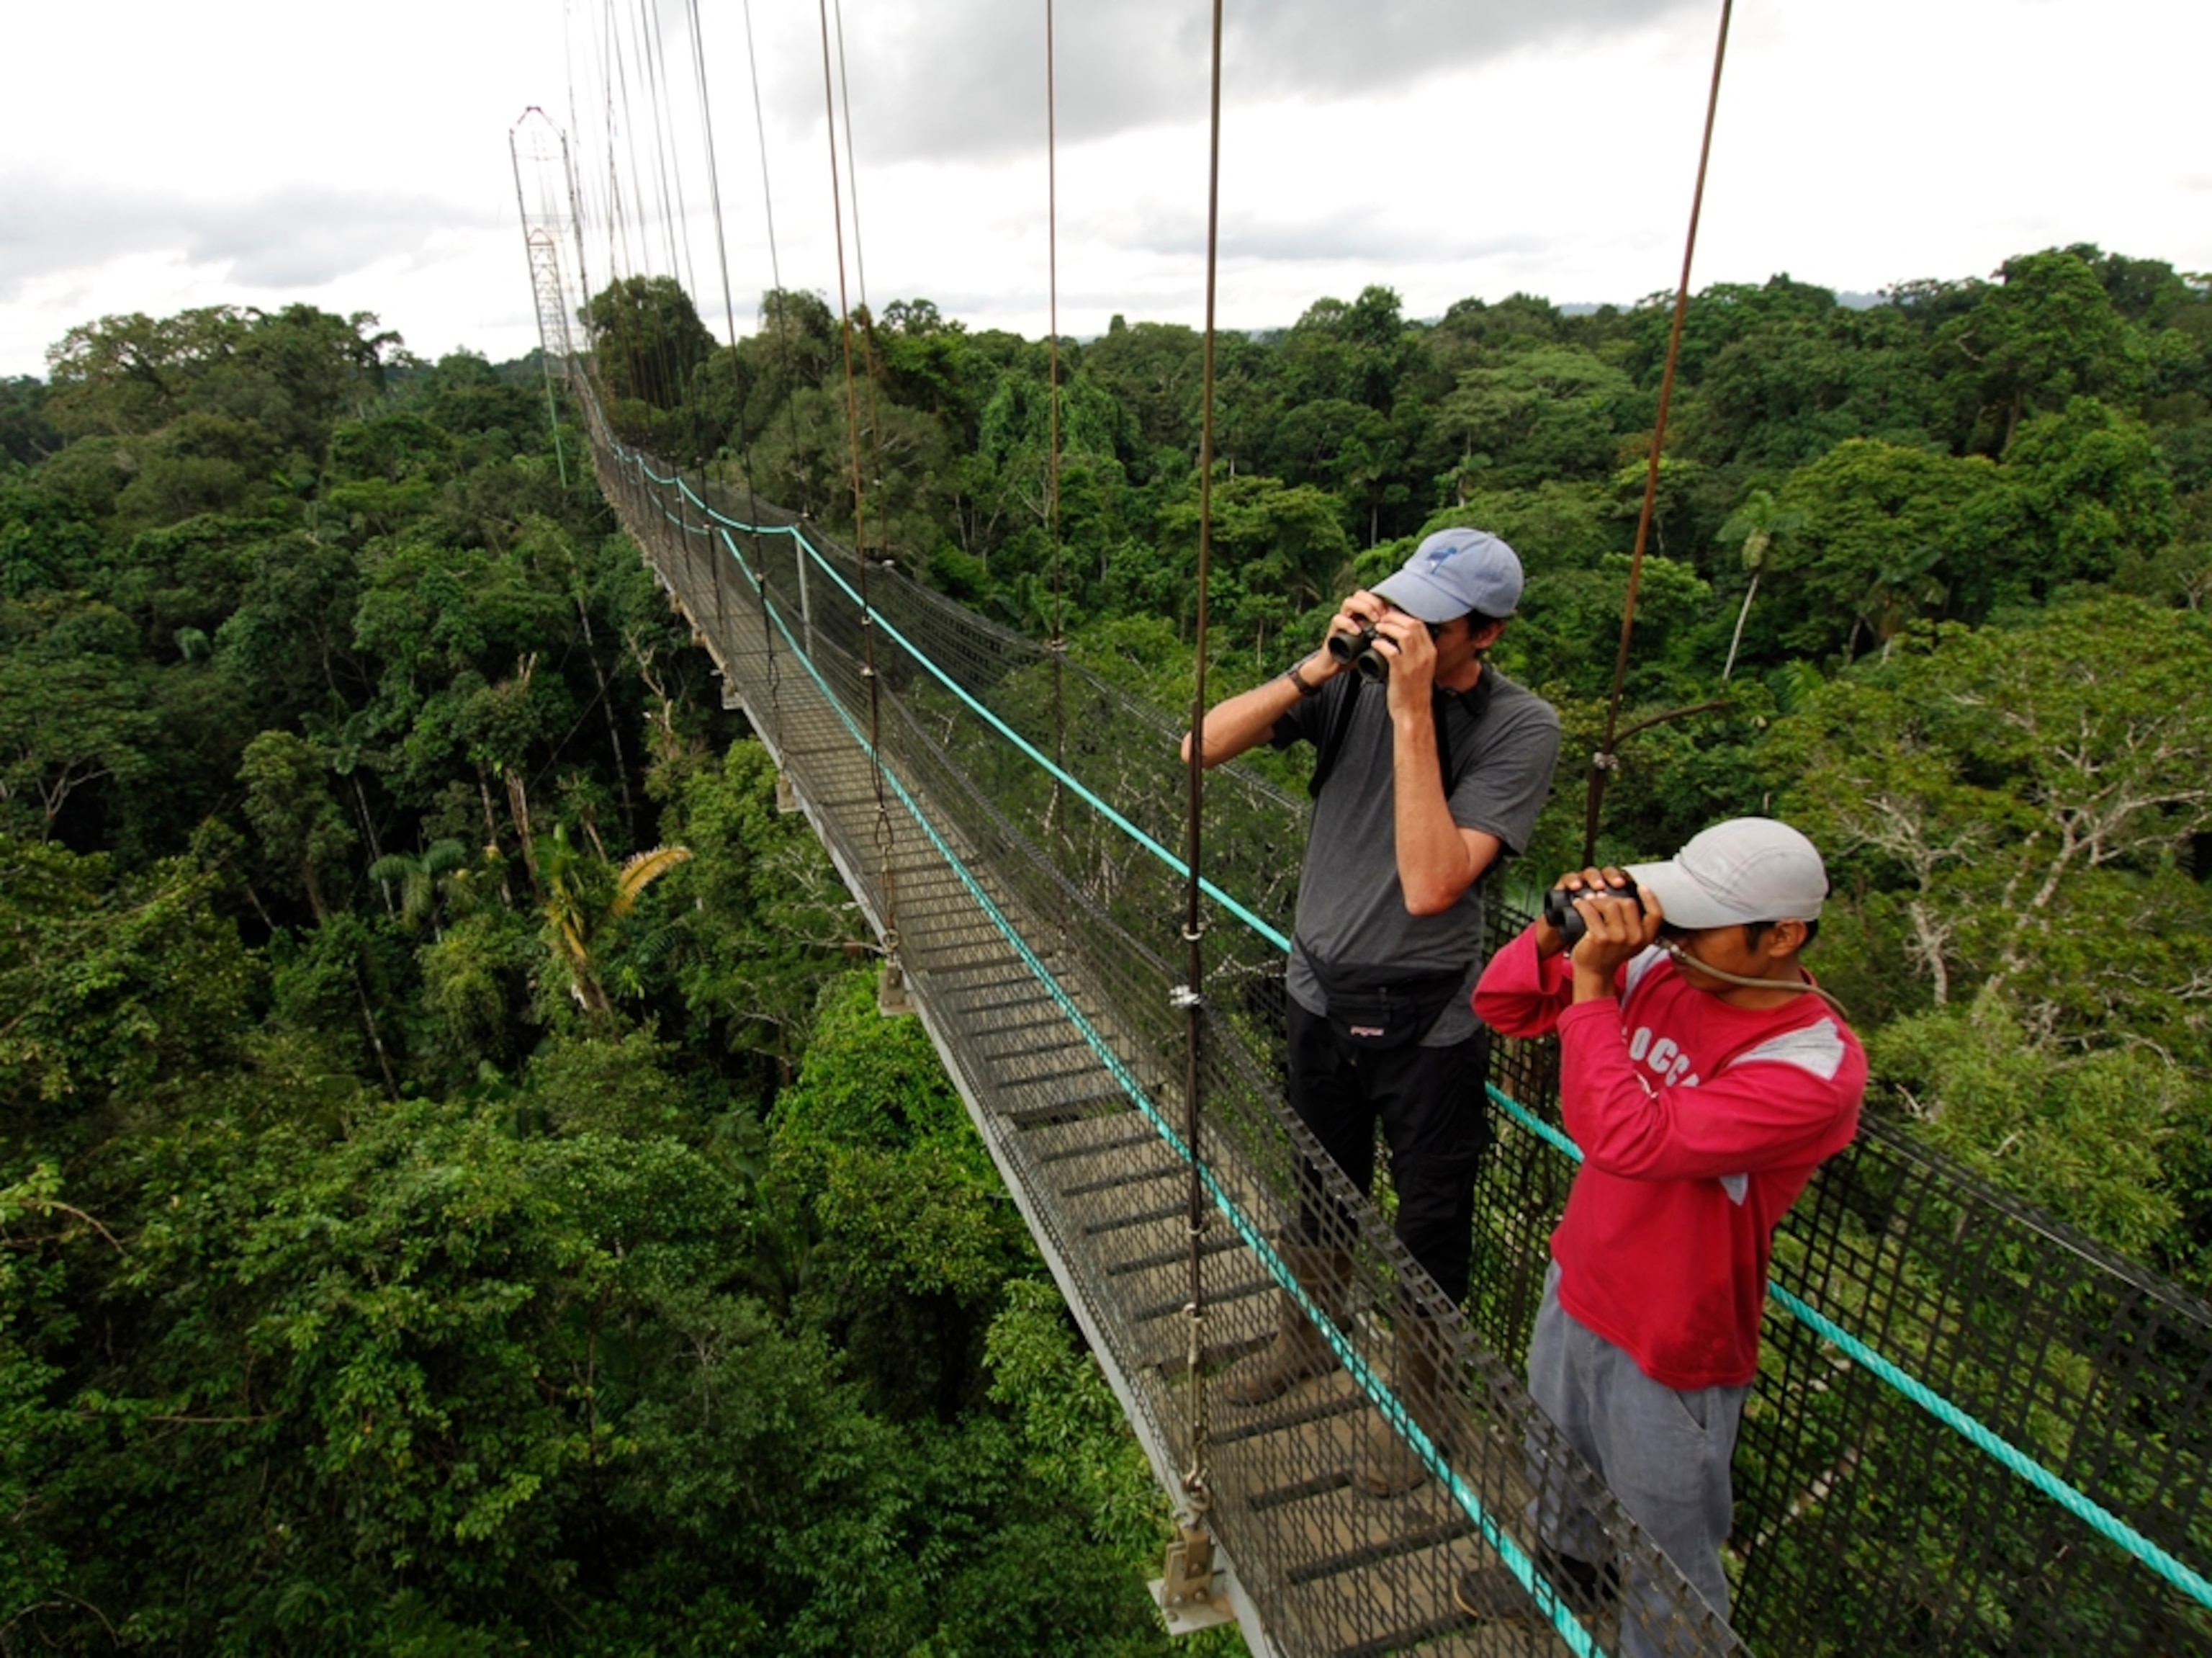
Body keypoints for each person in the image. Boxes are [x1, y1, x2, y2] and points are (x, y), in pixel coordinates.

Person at [1180, 527, 1561, 1498]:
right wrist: (1317, 668)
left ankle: (1424, 1414)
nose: (1404, 631)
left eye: (1430, 622)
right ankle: (1303, 1339)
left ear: (1488, 633)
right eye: (1399, 607)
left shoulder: (1519, 728)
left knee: (1430, 1228)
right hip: (1317, 988)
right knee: (1317, 1186)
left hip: (1428, 1020)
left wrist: (1408, 711)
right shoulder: (1347, 683)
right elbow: (1201, 747)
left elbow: (1434, 882)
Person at [1454, 818, 1866, 1652]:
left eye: (1697, 920)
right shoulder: (1662, 967)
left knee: (1667, 1546)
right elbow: (1500, 1003)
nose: (1670, 936)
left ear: (1783, 934)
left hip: (1674, 1338)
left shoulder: (1811, 1066)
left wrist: (1596, 990)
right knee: (1556, 1455)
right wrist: (1552, 934)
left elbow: (1629, 1138)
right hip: (1581, 1279)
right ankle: (1565, 1570)